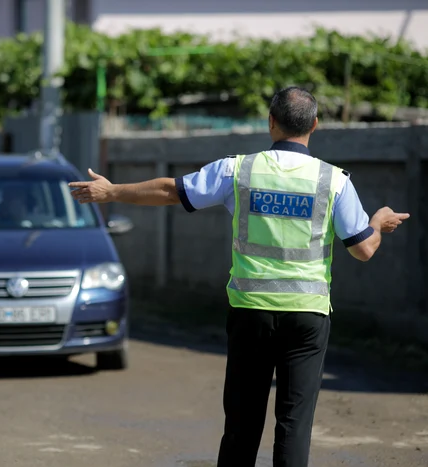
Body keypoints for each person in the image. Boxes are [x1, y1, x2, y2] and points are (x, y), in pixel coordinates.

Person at [68, 86, 410, 467]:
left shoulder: (238, 169)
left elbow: (170, 191)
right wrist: (377, 223)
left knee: (242, 425)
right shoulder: (334, 181)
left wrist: (112, 191)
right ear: (315, 125)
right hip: (307, 317)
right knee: (294, 426)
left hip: (251, 313)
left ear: (270, 122)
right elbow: (363, 249)